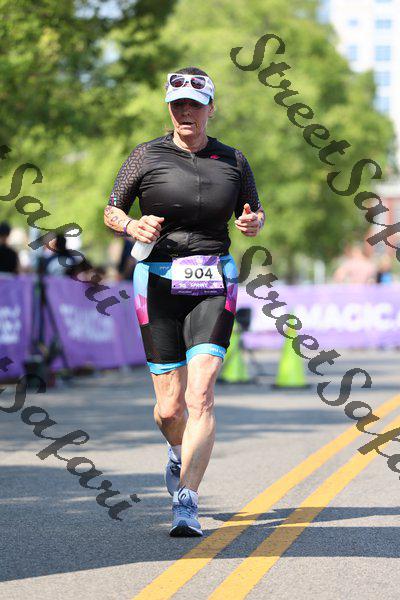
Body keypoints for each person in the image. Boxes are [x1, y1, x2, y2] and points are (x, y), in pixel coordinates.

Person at [104, 67, 265, 537]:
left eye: (195, 104)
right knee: (170, 409)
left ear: (211, 108)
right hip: (157, 282)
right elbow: (112, 209)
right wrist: (130, 225)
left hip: (214, 279)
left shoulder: (233, 160)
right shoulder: (145, 155)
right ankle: (178, 453)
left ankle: (187, 500)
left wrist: (253, 224)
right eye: (178, 105)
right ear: (169, 109)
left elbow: (253, 211)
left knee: (201, 395)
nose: (186, 112)